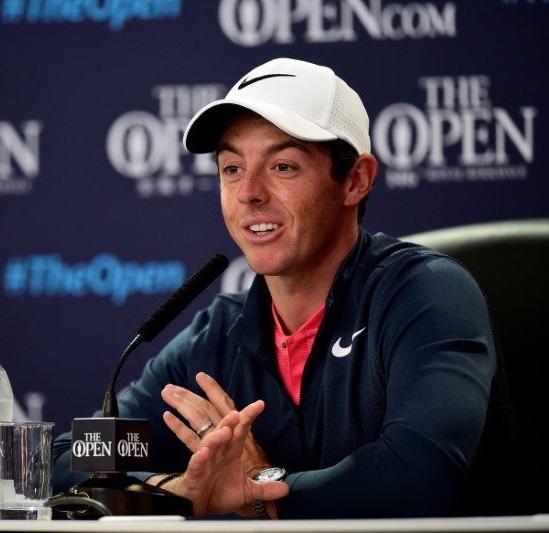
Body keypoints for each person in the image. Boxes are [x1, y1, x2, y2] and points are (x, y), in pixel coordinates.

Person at [51, 57, 525, 519]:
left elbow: (416, 476)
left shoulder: (427, 293)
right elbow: (67, 459)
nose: (248, 193)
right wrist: (175, 491)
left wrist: (257, 492)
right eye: (231, 168)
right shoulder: (218, 334)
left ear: (356, 180)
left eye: (283, 166)